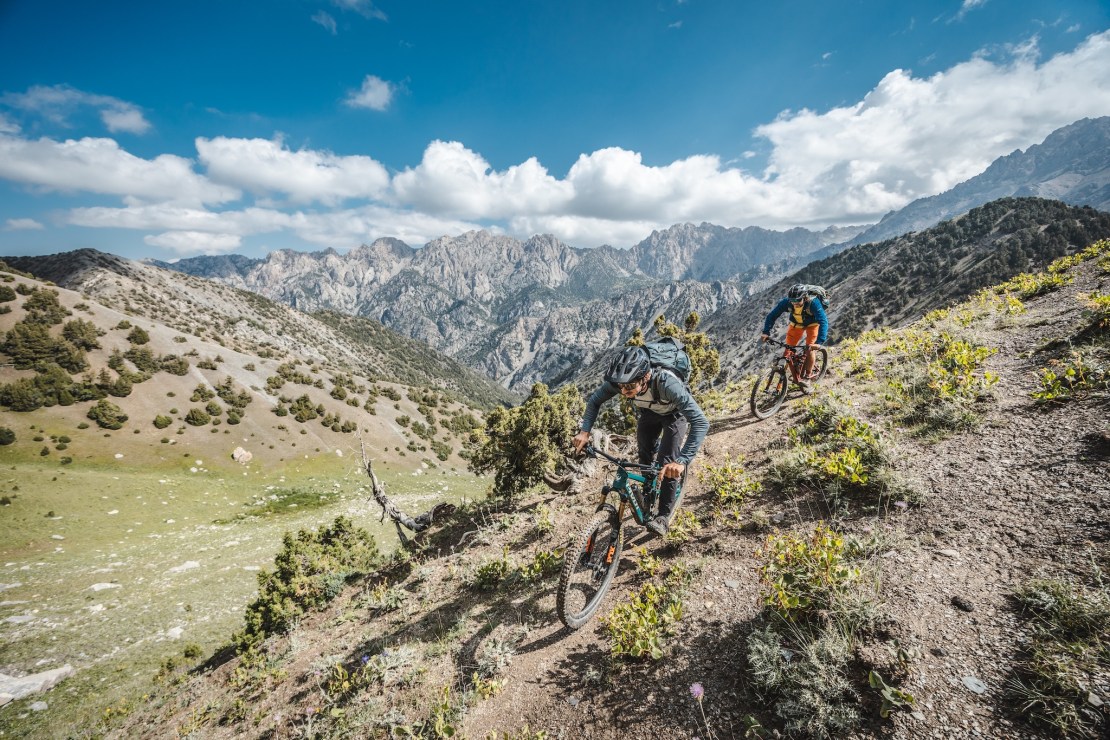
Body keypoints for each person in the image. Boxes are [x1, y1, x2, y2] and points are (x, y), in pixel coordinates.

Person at [571, 345, 709, 536]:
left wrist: (682, 461)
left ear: (645, 378)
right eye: (621, 386)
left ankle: (663, 517)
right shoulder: (622, 383)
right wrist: (585, 432)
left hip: (675, 416)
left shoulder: (667, 384)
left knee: (668, 463)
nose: (624, 391)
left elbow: (701, 422)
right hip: (650, 412)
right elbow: (594, 401)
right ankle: (648, 493)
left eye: (629, 387)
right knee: (645, 451)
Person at [760, 283, 829, 387]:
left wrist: (819, 343)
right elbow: (772, 315)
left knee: (810, 348)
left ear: (805, 297)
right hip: (796, 324)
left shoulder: (813, 303)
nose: (794, 303)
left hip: (813, 324)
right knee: (788, 350)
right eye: (792, 301)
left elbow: (823, 321)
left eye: (797, 301)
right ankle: (781, 381)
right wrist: (766, 332)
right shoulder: (787, 302)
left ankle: (807, 376)